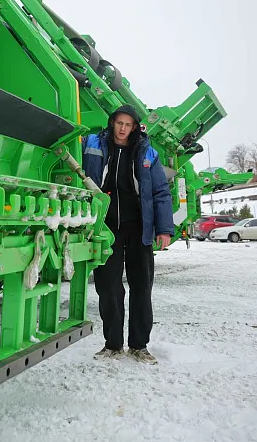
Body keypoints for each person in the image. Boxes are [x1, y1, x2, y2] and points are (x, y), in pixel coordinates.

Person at [81, 105, 174, 364]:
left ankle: (139, 346)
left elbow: (160, 193)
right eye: (119, 123)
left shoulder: (147, 153)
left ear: (134, 127)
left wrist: (164, 229)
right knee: (108, 288)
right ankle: (112, 344)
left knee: (141, 287)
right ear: (112, 123)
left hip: (138, 229)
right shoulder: (92, 144)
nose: (122, 128)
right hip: (106, 230)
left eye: (128, 124)